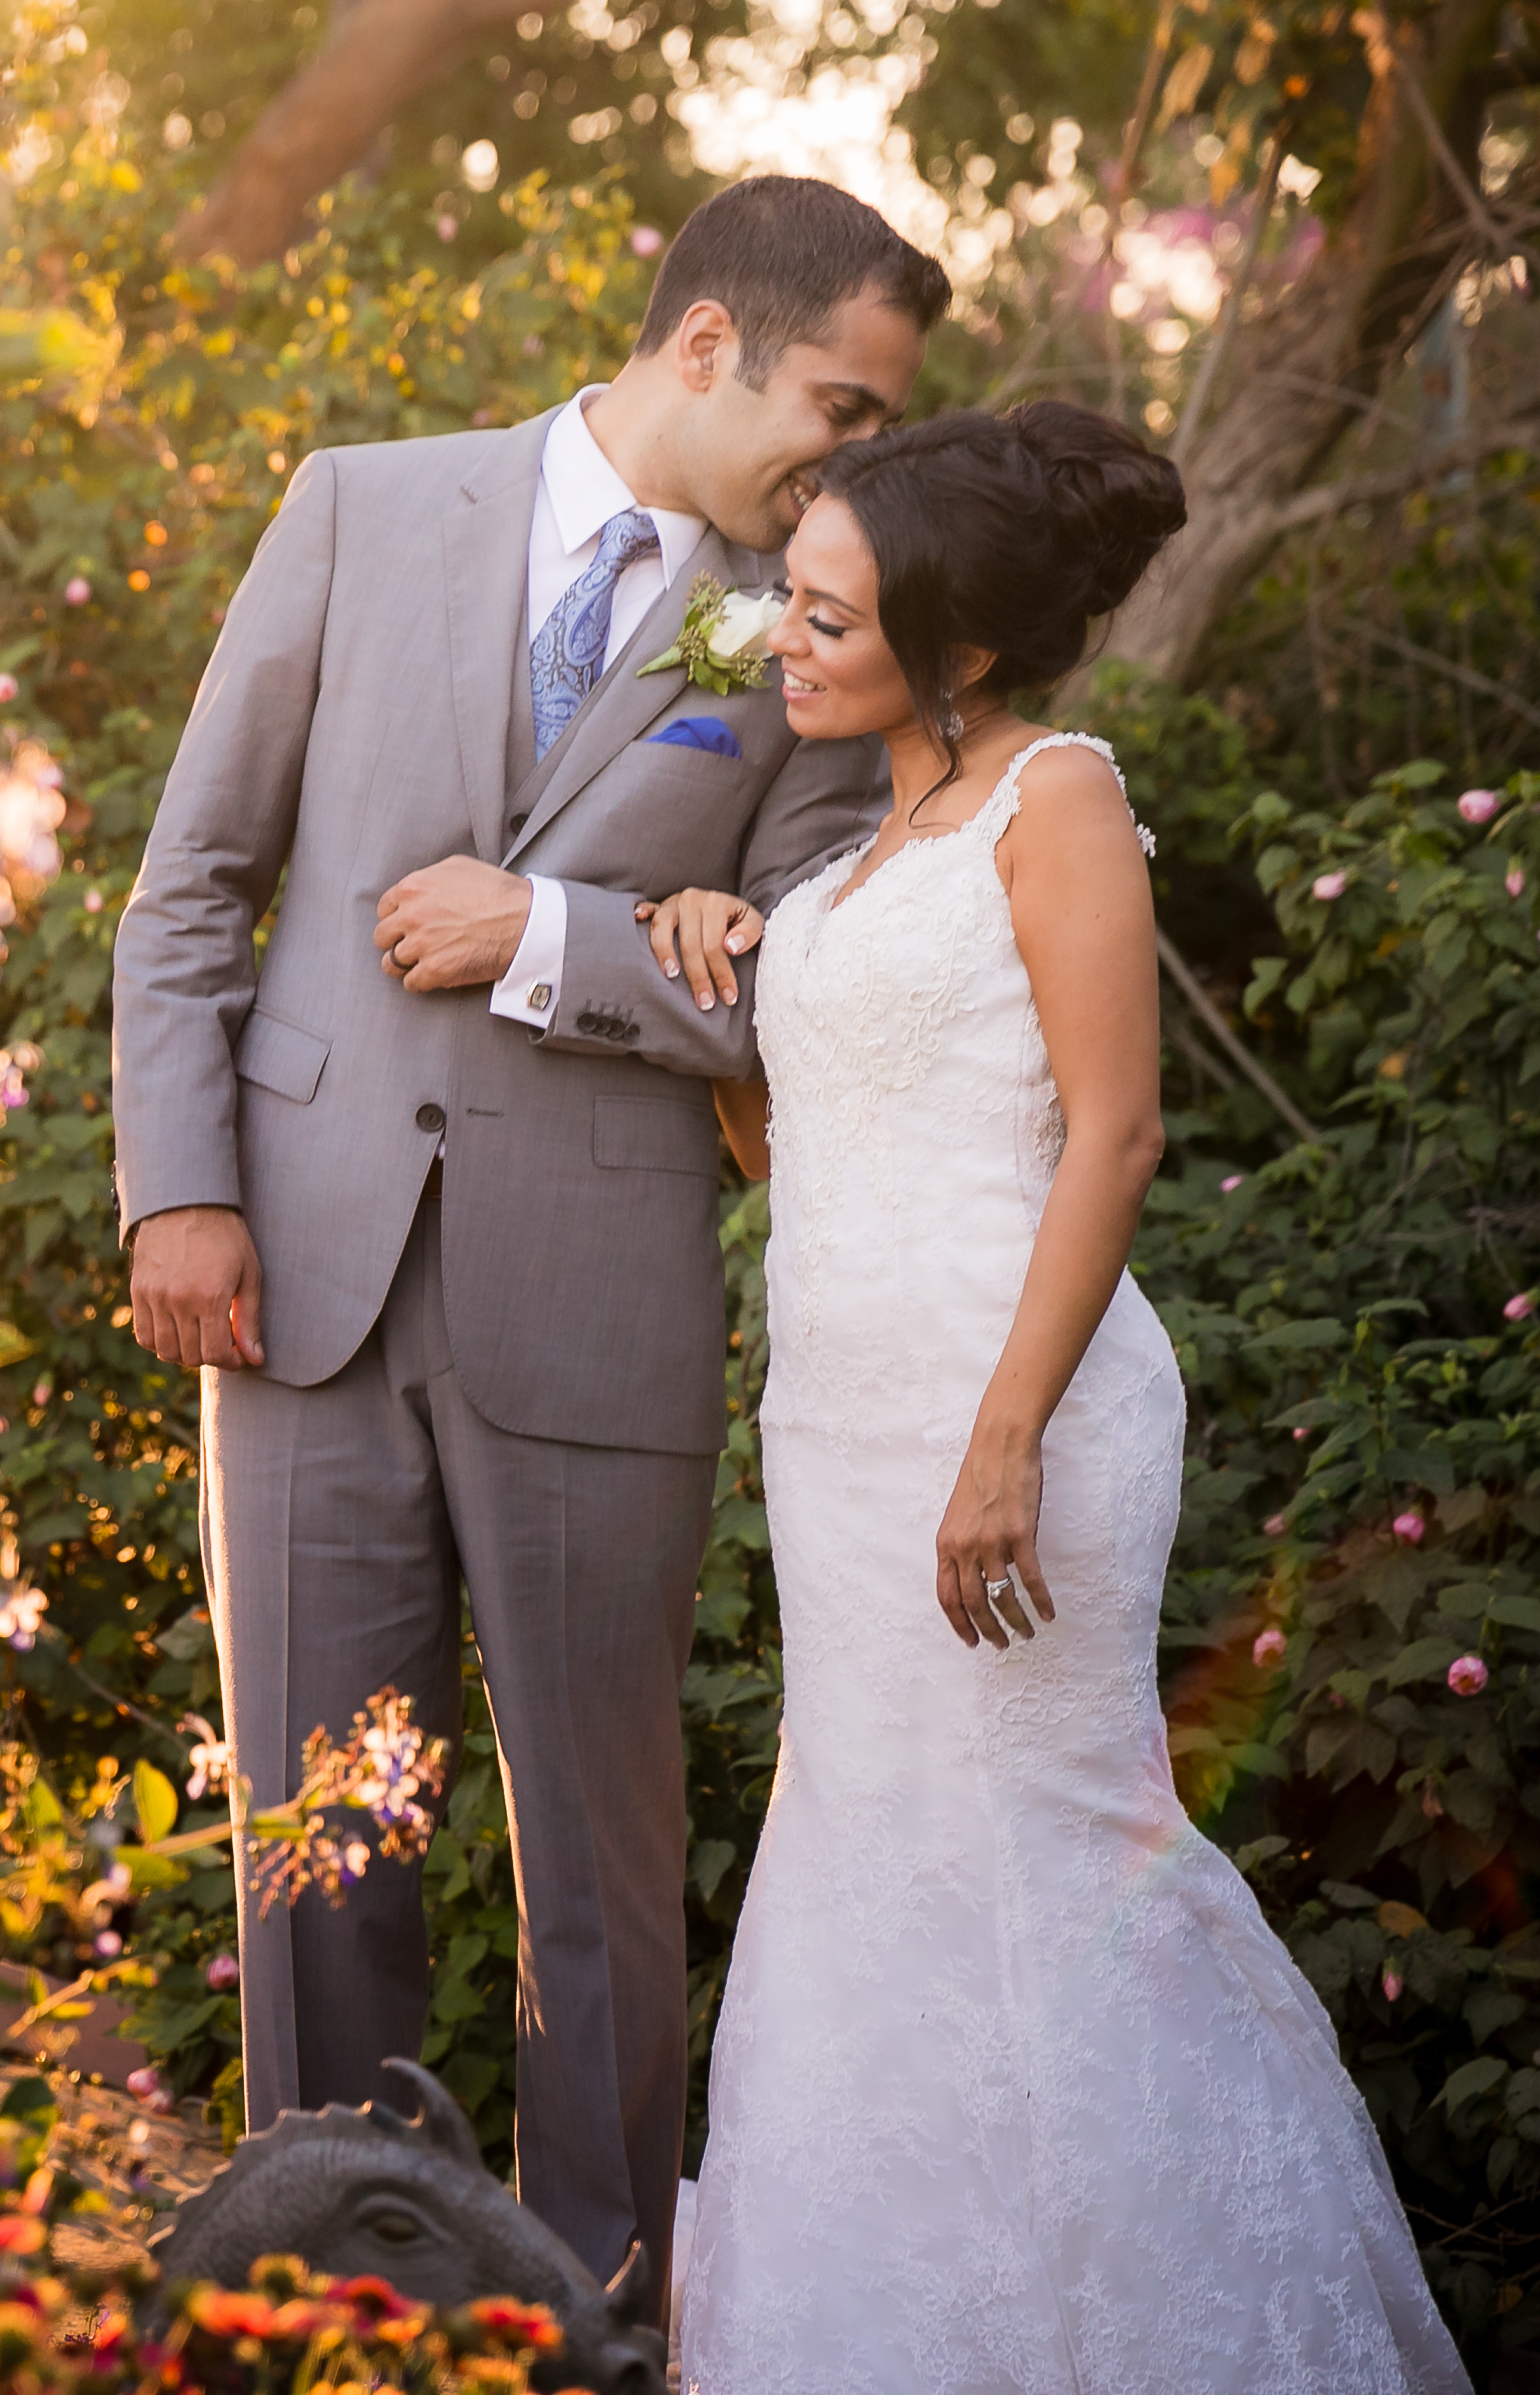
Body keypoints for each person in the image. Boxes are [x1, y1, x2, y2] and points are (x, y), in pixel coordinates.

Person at [108, 175, 941, 2295]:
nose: (846, 457)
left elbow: (806, 982)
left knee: (600, 1854)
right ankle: (325, 2292)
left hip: (596, 1304)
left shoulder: (799, 634)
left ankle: (594, 2306)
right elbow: (197, 877)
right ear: (702, 347)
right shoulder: (362, 509)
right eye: (836, 403)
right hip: (294, 1278)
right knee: (314, 1843)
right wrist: (182, 1187)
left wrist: (548, 935)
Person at [644, 405, 1470, 2392]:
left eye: (833, 617)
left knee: (1043, 1847)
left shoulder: (1057, 798)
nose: (786, 642)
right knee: (876, 1858)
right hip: (841, 1438)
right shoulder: (860, 849)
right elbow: (811, 1164)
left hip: (1015, 1418)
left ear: (970, 653)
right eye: (791, 600)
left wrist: (1003, 1436)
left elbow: (1112, 1135)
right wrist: (719, 1019)